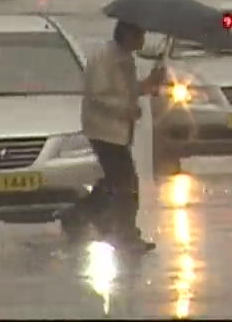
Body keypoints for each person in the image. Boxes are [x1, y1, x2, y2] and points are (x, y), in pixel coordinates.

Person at [60, 20, 165, 251]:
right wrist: (124, 109)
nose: (143, 40)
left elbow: (126, 91)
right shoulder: (105, 59)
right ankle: (126, 234)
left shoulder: (125, 58)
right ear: (128, 34)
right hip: (103, 130)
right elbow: (97, 95)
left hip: (117, 131)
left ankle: (77, 215)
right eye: (140, 35)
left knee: (113, 181)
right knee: (127, 183)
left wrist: (148, 84)